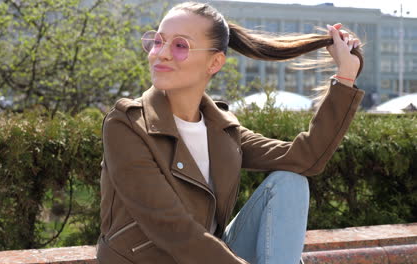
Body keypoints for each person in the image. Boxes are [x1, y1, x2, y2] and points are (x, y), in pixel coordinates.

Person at [96, 2, 364, 264]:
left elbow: (306, 158)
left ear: (214, 63)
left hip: (209, 257)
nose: (161, 53)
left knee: (290, 182)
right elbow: (172, 229)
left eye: (180, 46)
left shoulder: (221, 129)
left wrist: (346, 76)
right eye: (158, 41)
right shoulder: (127, 125)